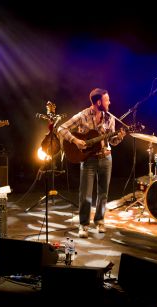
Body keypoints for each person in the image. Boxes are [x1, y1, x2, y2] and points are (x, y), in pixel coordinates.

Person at [57, 88, 126, 238]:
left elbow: (112, 141)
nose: (110, 102)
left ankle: (100, 221)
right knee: (86, 194)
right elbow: (61, 128)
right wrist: (75, 140)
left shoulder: (110, 118)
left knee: (103, 193)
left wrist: (119, 137)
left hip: (106, 158)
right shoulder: (83, 115)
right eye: (107, 100)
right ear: (99, 102)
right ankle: (83, 225)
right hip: (88, 159)